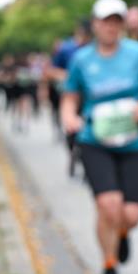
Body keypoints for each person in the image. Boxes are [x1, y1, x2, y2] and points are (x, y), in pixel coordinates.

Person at [61, 0, 138, 274]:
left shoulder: (137, 52)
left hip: (134, 141)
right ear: (95, 24)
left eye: (117, 21)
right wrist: (69, 116)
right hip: (96, 141)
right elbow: (70, 96)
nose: (111, 27)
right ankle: (109, 263)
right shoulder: (81, 59)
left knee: (131, 215)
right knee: (108, 205)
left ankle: (121, 233)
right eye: (106, 21)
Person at [50, 19, 93, 177]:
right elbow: (51, 70)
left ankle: (88, 163)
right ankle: (73, 155)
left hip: (90, 98)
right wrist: (69, 76)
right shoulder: (66, 49)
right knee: (72, 132)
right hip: (72, 96)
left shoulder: (96, 49)